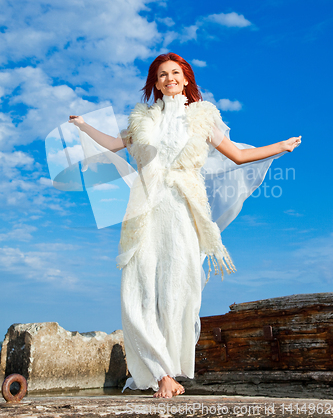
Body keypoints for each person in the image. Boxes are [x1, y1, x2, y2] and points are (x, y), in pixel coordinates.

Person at [69, 52, 301, 398]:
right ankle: (160, 374)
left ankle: (171, 371)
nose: (169, 78)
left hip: (181, 211)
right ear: (154, 82)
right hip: (144, 210)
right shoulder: (142, 120)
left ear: (186, 78)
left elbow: (236, 155)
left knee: (178, 291)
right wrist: (84, 127)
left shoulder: (202, 118)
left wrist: (279, 147)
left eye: (175, 72)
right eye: (162, 74)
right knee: (136, 290)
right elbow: (116, 145)